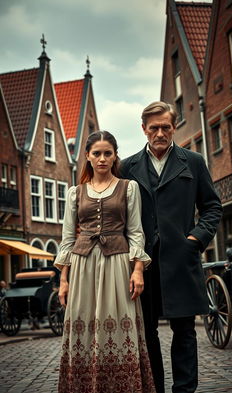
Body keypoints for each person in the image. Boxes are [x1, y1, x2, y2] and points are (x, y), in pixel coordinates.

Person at [120, 101, 223, 393]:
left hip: (182, 261)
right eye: (154, 128)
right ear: (144, 129)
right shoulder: (127, 167)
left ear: (173, 127)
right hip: (143, 265)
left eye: (166, 127)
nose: (160, 133)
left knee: (185, 333)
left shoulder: (193, 162)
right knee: (147, 333)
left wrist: (195, 240)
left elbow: (212, 208)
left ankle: (185, 390)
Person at [54, 130, 156, 393]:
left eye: (107, 153)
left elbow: (135, 232)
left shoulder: (128, 188)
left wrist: (138, 270)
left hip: (117, 264)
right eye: (96, 153)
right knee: (82, 326)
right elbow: (67, 238)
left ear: (114, 156)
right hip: (82, 266)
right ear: (87, 156)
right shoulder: (75, 193)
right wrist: (63, 280)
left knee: (118, 326)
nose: (102, 158)